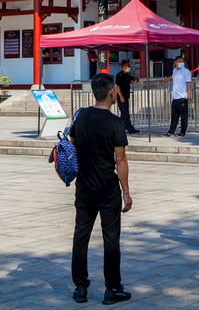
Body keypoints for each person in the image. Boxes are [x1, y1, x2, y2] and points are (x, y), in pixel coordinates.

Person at [69, 73, 133, 305]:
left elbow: (72, 145)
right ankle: (112, 288)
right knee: (111, 238)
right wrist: (126, 191)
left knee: (81, 236)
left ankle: (80, 287)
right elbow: (121, 161)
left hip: (84, 187)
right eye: (115, 89)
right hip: (107, 189)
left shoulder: (82, 116)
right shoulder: (116, 122)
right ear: (110, 93)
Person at [163, 55, 192, 137]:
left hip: (183, 97)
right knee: (174, 116)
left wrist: (189, 94)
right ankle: (171, 131)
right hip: (175, 97)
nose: (181, 63)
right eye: (179, 61)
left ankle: (182, 132)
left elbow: (188, 83)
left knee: (183, 116)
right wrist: (165, 81)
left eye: (182, 61)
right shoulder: (174, 70)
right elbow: (172, 77)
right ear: (175, 63)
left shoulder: (186, 72)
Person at [114, 60, 140, 135]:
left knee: (123, 114)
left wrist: (135, 79)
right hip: (121, 97)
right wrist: (121, 96)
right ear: (124, 66)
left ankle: (119, 128)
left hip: (126, 96)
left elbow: (131, 78)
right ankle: (130, 129)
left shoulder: (126, 75)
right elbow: (117, 86)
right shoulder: (119, 75)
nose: (129, 68)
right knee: (125, 114)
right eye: (128, 66)